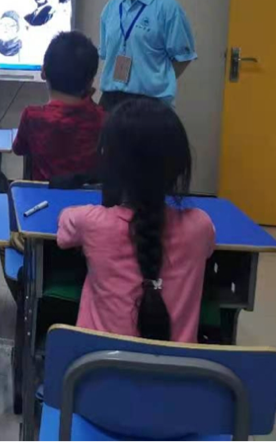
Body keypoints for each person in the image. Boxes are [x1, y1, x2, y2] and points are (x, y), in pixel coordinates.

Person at [57, 98, 215, 342]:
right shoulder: (200, 227)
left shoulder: (89, 222)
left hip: (99, 365)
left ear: (110, 164)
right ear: (179, 166)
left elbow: (64, 230)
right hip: (181, 367)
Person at [99, 0, 197, 110]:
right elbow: (107, 54)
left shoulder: (168, 8)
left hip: (150, 103)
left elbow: (183, 58)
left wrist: (157, 81)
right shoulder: (111, 7)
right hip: (111, 100)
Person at [12, 31, 105, 182]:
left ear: (43, 72)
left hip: (42, 196)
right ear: (91, 81)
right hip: (89, 197)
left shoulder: (32, 117)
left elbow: (18, 149)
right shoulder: (103, 119)